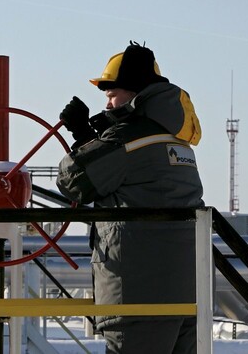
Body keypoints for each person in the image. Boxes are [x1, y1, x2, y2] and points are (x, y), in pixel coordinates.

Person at [56, 41, 204, 353]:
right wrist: (90, 139)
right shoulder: (176, 140)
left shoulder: (126, 140)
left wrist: (84, 139)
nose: (107, 104)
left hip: (138, 296)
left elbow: (74, 181)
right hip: (187, 294)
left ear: (135, 93)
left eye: (112, 94)